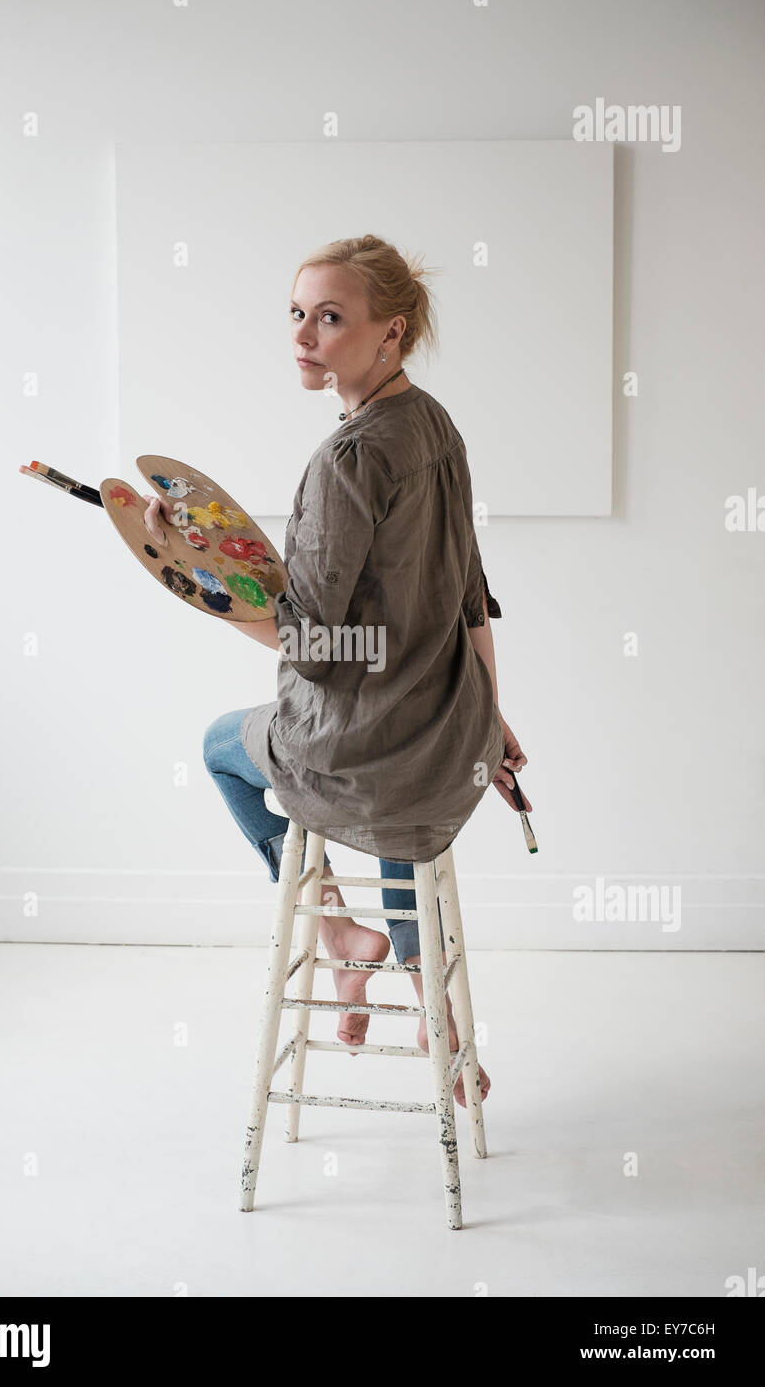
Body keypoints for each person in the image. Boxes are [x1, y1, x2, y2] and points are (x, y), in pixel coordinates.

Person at [144, 234, 531, 1108]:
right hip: (446, 735)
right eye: (297, 314)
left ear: (390, 332)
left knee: (218, 747)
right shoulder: (435, 425)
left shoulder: (349, 459)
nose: (304, 335)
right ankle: (425, 984)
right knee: (395, 773)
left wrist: (187, 573)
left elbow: (313, 647)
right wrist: (491, 716)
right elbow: (469, 594)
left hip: (369, 753)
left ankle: (334, 928)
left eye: (329, 318)